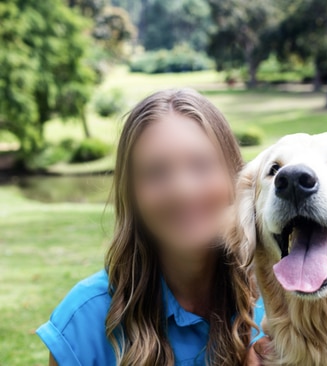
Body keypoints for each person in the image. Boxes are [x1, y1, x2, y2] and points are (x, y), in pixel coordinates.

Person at [36, 89, 264, 365]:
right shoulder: (82, 324)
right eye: (156, 172)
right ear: (132, 195)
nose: (183, 190)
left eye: (201, 165)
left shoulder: (283, 303)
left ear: (235, 176)